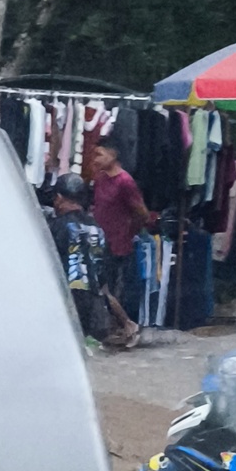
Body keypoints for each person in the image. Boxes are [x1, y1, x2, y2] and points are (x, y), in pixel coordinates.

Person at [88, 137, 153, 349]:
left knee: (106, 289)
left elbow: (142, 212)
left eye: (100, 154)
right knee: (100, 287)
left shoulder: (125, 182)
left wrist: (128, 231)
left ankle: (128, 325)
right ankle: (118, 328)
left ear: (113, 155)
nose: (96, 159)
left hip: (117, 243)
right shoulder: (100, 178)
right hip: (99, 241)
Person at [47, 176, 105, 342]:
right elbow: (100, 270)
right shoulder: (96, 227)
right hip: (93, 304)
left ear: (58, 198)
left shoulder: (56, 226)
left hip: (64, 300)